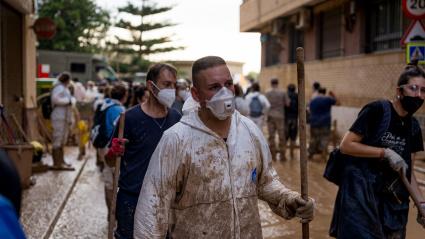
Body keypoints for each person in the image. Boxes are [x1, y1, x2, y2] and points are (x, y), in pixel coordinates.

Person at [133, 56, 315, 238]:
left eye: (228, 84)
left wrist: (290, 199)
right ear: (196, 94)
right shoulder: (176, 140)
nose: (224, 93)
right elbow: (152, 209)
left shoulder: (250, 131)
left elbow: (265, 182)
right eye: (214, 87)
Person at [330, 63, 425, 238]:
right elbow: (346, 145)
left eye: (423, 90)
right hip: (360, 197)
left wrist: (421, 204)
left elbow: (408, 172)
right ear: (400, 90)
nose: (419, 95)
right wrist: (385, 153)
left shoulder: (413, 127)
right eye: (413, 88)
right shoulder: (377, 111)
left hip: (393, 202)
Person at [105, 63, 181, 239]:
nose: (171, 90)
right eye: (166, 84)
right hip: (132, 197)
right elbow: (109, 161)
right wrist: (114, 151)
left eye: (173, 85)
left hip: (166, 199)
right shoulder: (128, 118)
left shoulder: (177, 118)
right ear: (150, 85)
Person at [94, 84, 128, 218]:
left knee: (108, 182)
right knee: (117, 182)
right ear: (124, 96)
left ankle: (110, 214)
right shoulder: (120, 110)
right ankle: (116, 214)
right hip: (112, 149)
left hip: (102, 147)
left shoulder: (104, 104)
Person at [50, 72, 75, 170]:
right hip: (59, 116)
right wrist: (68, 101)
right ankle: (57, 163)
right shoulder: (58, 88)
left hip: (64, 117)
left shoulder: (64, 88)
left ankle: (61, 160)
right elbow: (55, 99)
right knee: (58, 138)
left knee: (62, 140)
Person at [308, 87, 337, 160]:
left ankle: (311, 154)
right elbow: (337, 102)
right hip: (325, 122)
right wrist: (333, 95)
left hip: (314, 122)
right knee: (324, 138)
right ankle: (323, 155)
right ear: (325, 92)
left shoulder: (313, 100)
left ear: (318, 92)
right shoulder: (328, 99)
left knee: (313, 138)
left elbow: (309, 110)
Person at [265, 78, 289, 160]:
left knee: (271, 136)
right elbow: (287, 103)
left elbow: (266, 105)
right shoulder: (283, 92)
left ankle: (273, 155)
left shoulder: (267, 92)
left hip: (270, 116)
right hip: (280, 116)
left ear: (271, 83)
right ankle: (283, 155)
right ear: (277, 83)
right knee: (281, 135)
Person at [285, 83, 298, 159]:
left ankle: (284, 154)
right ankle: (292, 154)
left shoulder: (285, 95)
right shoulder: (297, 95)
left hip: (286, 119)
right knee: (293, 137)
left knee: (285, 136)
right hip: (294, 119)